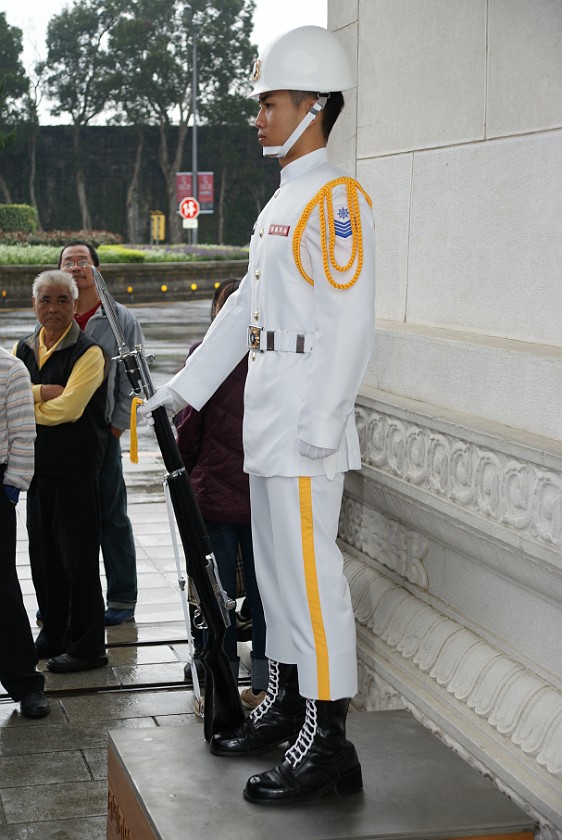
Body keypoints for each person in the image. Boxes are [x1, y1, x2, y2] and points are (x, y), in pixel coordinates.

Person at [140, 25, 375, 805]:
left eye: (271, 102)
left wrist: (327, 421)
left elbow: (351, 324)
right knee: (276, 581)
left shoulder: (335, 202)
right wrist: (186, 389)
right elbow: (247, 306)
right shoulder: (284, 199)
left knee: (313, 584)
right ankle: (283, 705)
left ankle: (328, 740)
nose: (260, 116)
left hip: (307, 423)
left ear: (313, 106)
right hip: (270, 421)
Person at [173, 280, 268, 709]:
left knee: (217, 589)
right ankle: (267, 677)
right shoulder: (272, 356)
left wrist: (189, 470)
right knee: (266, 590)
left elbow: (188, 428)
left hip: (215, 491)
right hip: (264, 492)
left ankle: (221, 675)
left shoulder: (206, 357)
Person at [16, 270, 109, 673]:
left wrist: (26, 405)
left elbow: (71, 409)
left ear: (75, 306)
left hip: (76, 469)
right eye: (45, 300)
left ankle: (89, 646)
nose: (53, 308)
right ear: (34, 305)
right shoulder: (23, 348)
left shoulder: (89, 352)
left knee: (80, 560)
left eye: (62, 301)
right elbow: (7, 394)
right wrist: (40, 393)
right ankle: (54, 632)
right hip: (36, 470)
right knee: (44, 556)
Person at [58, 240, 145, 626]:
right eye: (67, 262)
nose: (75, 267)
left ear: (96, 268)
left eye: (82, 261)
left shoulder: (118, 318)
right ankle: (63, 599)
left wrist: (116, 426)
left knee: (111, 517)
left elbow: (134, 379)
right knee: (63, 522)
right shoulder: (53, 311)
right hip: (58, 434)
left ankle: (122, 599)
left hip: (101, 436)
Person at [0, 346, 50, 718]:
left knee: (2, 588)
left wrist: (13, 487)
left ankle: (25, 683)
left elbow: (23, 434)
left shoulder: (11, 369)